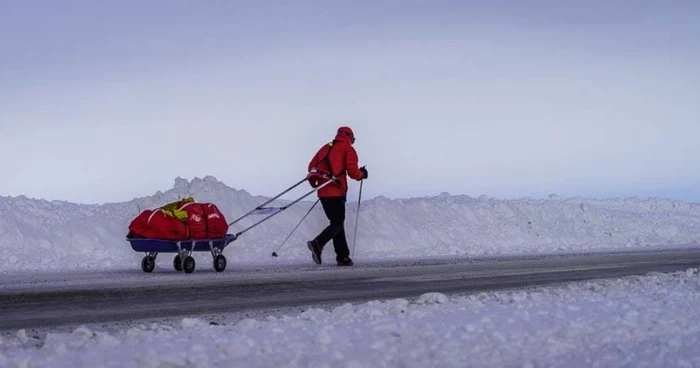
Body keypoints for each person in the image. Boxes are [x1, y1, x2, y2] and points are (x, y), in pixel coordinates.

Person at [306, 126, 368, 266]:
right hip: (336, 190)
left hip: (322, 192)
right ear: (350, 137)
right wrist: (362, 174)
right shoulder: (347, 149)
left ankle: (343, 257)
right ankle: (318, 243)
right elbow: (353, 172)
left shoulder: (325, 147)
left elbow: (311, 166)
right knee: (337, 223)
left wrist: (316, 182)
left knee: (336, 224)